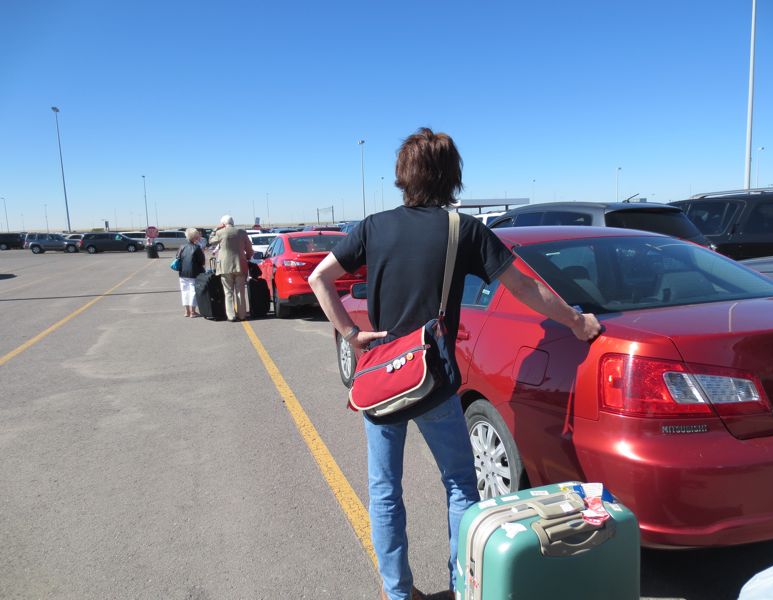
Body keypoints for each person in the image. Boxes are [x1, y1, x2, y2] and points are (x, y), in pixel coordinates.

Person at [309, 128, 602, 600]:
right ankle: (461, 586)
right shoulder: (461, 230)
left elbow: (319, 278)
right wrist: (575, 321)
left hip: (381, 379)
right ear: (451, 177)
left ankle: (397, 592)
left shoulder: (372, 227)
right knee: (461, 484)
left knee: (384, 491)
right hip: (433, 381)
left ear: (403, 176)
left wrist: (351, 333)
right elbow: (525, 286)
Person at [209, 215, 253, 322]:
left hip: (225, 266)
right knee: (240, 291)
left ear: (223, 224)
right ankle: (242, 315)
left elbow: (210, 241)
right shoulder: (242, 232)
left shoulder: (220, 232)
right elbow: (249, 248)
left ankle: (231, 315)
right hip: (240, 264)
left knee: (228, 292)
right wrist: (247, 257)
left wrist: (215, 229)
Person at [177, 228, 206, 317]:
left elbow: (178, 257)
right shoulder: (197, 248)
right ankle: (193, 312)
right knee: (193, 291)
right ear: (195, 237)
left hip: (182, 273)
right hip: (194, 273)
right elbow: (202, 262)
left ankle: (186, 311)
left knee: (184, 291)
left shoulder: (182, 247)